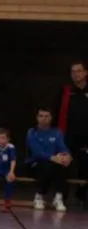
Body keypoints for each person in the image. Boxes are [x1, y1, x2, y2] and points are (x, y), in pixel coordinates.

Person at [26, 106, 71, 212]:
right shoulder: (32, 132)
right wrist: (52, 157)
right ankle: (39, 196)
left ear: (51, 118)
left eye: (46, 116)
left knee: (63, 164)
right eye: (41, 116)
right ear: (37, 118)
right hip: (35, 163)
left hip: (54, 162)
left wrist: (67, 156)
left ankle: (58, 197)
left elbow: (62, 147)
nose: (43, 118)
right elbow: (36, 152)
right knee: (48, 165)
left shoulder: (56, 132)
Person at [57, 60, 88, 207]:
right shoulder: (67, 91)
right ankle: (61, 197)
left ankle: (82, 197)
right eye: (73, 72)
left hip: (86, 137)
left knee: (85, 166)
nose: (76, 74)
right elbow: (57, 111)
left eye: (79, 71)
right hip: (68, 137)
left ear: (86, 72)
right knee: (64, 164)